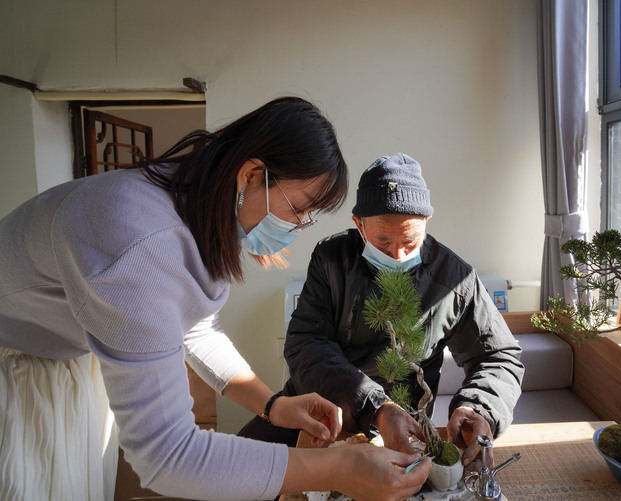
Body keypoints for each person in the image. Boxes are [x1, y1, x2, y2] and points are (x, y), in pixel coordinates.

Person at [0, 99, 430, 501]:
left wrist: (273, 405)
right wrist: (333, 469)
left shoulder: (186, 205)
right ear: (250, 175)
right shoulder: (133, 244)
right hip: (18, 366)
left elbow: (195, 326)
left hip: (65, 358)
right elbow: (167, 457)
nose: (299, 226)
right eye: (298, 209)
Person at [239, 152, 524, 471]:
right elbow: (306, 344)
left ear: (426, 223)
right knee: (235, 471)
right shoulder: (333, 259)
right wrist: (376, 407)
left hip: (407, 432)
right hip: (317, 410)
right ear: (359, 224)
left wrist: (480, 408)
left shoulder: (453, 279)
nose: (398, 255)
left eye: (410, 241)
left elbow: (498, 356)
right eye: (384, 242)